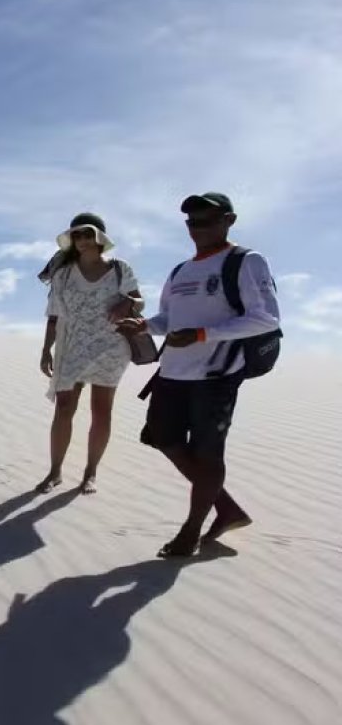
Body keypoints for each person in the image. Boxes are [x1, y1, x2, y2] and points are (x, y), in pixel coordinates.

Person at [117, 192, 280, 557]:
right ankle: (227, 509)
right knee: (162, 437)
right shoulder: (180, 270)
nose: (198, 228)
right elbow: (168, 321)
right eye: (192, 222)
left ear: (228, 220)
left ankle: (191, 531)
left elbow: (266, 317)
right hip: (172, 372)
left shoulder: (246, 261)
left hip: (217, 376)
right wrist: (142, 325)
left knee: (208, 455)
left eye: (207, 220)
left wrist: (204, 334)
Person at [37, 213, 144, 495]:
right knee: (63, 409)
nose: (82, 240)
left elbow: (139, 301)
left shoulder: (120, 269)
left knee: (101, 410)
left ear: (100, 237)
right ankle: (55, 472)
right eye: (76, 235)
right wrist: (46, 349)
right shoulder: (62, 273)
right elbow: (53, 315)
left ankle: (90, 473)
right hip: (70, 345)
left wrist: (128, 303)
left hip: (111, 346)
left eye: (87, 234)